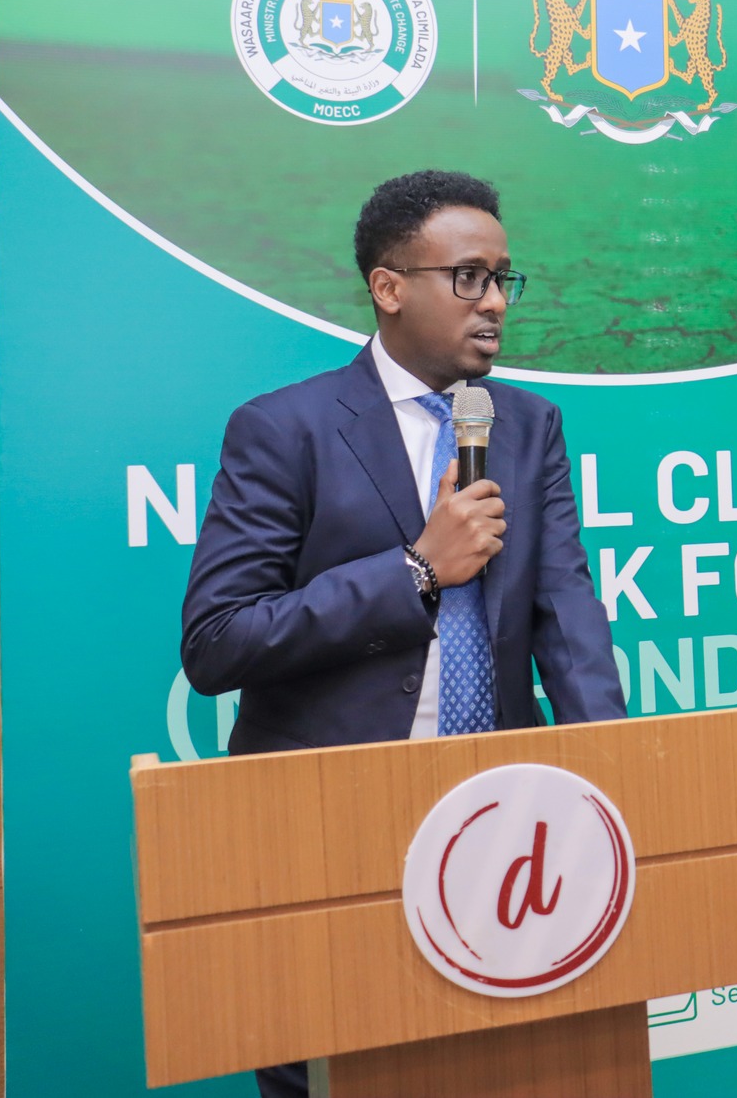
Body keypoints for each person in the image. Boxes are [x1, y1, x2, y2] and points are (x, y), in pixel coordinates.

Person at [181, 170, 626, 1098]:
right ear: (388, 287)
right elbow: (219, 639)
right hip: (328, 826)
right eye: (468, 277)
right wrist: (416, 571)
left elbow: (567, 617)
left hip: (503, 826)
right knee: (330, 1070)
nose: (494, 301)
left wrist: (618, 781)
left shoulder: (528, 425)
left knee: (508, 1067)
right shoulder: (286, 428)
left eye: (503, 278)